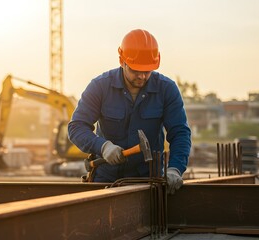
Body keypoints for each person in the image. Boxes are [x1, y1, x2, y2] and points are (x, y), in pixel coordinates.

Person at [67, 29, 191, 194]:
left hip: (149, 182)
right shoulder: (100, 87)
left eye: (147, 71)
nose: (141, 76)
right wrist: (103, 147)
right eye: (135, 70)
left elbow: (180, 133)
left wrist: (175, 168)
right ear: (122, 61)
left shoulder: (166, 89)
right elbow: (76, 127)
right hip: (105, 181)